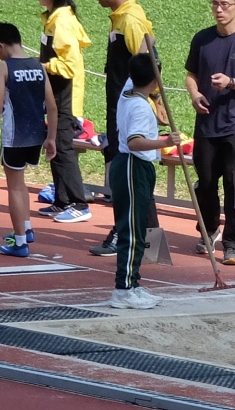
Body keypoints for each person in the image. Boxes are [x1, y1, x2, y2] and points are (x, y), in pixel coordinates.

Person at [182, 0, 235, 264]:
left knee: (234, 184)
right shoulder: (202, 39)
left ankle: (233, 244)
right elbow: (191, 75)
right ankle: (209, 230)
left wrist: (231, 82)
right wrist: (195, 95)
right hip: (206, 124)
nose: (219, 9)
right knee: (205, 182)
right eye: (215, 4)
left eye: (225, 4)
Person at [90, 0, 155, 256]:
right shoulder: (120, 18)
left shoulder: (130, 20)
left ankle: (125, 234)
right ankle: (145, 235)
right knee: (129, 175)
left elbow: (148, 63)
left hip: (128, 112)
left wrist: (156, 99)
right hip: (120, 107)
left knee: (127, 175)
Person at [109, 48, 169, 306]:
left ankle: (132, 283)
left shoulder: (127, 92)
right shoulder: (141, 108)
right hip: (133, 166)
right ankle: (123, 290)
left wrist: (148, 51)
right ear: (155, 80)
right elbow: (135, 142)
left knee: (135, 228)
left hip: (132, 167)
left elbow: (139, 67)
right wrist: (165, 142)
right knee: (132, 231)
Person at [0, 23, 56, 257]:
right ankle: (26, 228)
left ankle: (20, 242)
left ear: (0, 46)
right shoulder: (39, 66)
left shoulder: (3, 67)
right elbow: (52, 106)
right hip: (36, 135)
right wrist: (51, 138)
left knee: (14, 186)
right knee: (20, 183)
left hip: (14, 136)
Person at [38, 0, 89, 223]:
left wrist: (42, 67)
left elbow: (69, 65)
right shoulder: (53, 18)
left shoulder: (62, 21)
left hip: (65, 98)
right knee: (56, 148)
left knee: (63, 148)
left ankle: (79, 204)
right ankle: (62, 200)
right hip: (55, 96)